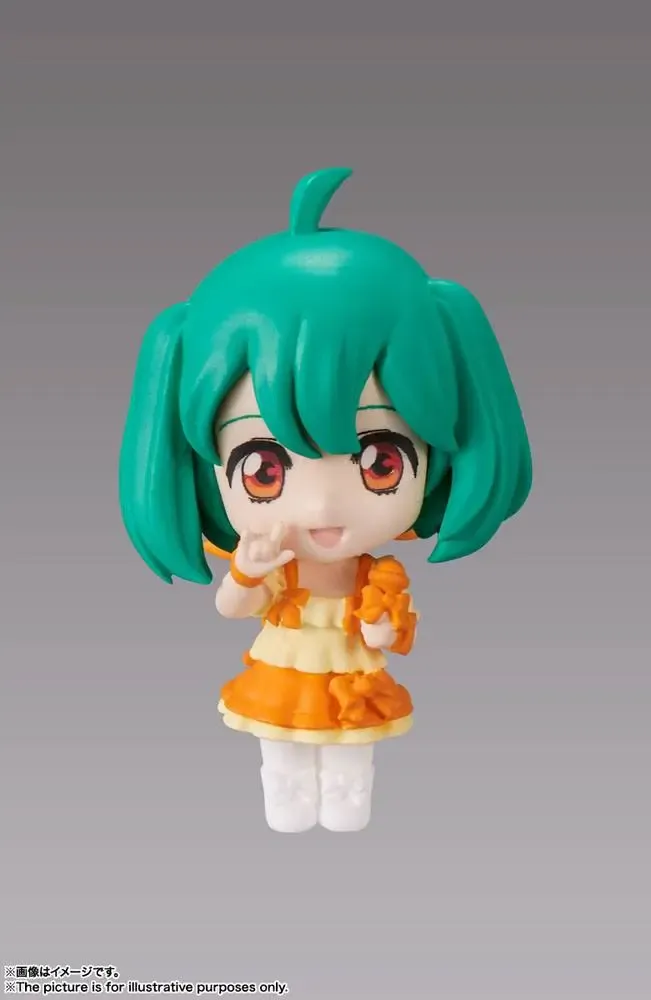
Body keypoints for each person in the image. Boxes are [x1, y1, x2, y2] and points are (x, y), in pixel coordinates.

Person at [119, 167, 532, 833]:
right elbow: (232, 606)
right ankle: (287, 795)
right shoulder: (274, 564)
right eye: (263, 471)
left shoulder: (380, 575)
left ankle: (344, 799)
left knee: (350, 756)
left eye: (378, 462)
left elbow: (391, 634)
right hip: (283, 669)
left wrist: (381, 629)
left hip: (350, 675)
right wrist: (247, 570)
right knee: (280, 752)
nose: (320, 508)